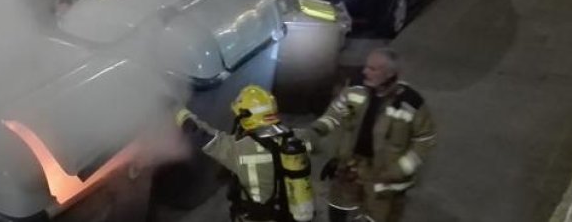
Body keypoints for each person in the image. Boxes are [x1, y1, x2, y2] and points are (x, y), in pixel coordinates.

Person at [296, 49, 437, 222]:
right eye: (366, 67)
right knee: (339, 207)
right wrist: (314, 131)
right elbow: (333, 115)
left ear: (390, 74)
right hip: (350, 167)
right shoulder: (355, 90)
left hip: (384, 177)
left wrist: (399, 170)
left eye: (373, 69)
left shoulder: (410, 103)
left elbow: (425, 139)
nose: (364, 72)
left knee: (378, 217)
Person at [175, 86, 315, 222]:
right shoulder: (295, 138)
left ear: (247, 116)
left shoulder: (239, 149)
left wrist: (176, 110)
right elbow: (317, 132)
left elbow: (200, 134)